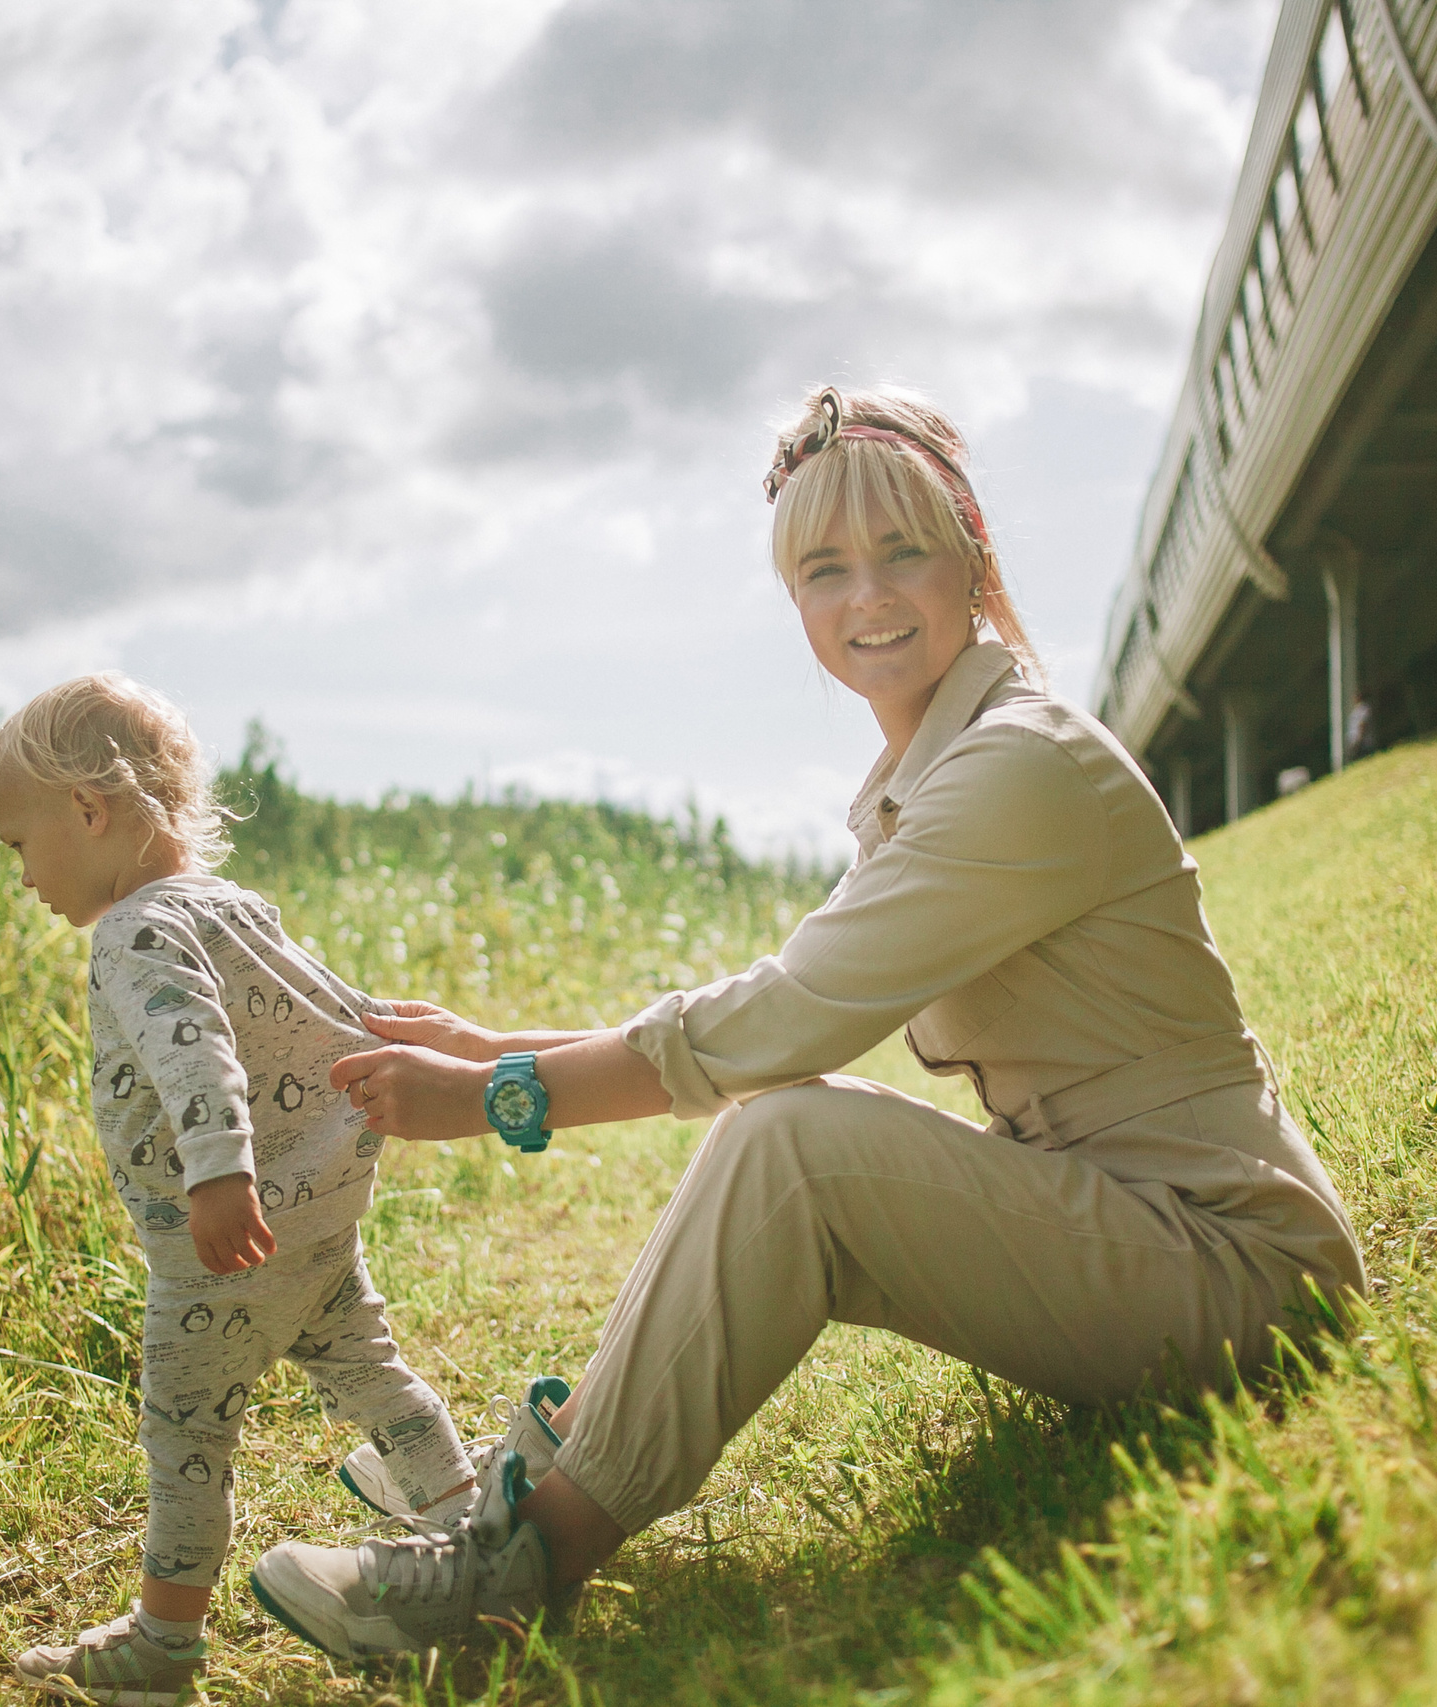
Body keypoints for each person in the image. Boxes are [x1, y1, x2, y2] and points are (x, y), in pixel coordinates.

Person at [244, 386, 1370, 1661]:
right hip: (1135, 1227)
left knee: (791, 1141)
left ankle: (509, 1570)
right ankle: (522, 1483)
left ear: (973, 562)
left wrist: (505, 1095)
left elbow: (779, 1026)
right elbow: (775, 1009)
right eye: (824, 570)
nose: (866, 596)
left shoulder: (1020, 768)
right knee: (787, 1138)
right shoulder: (935, 774)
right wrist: (495, 1044)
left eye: (902, 552)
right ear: (797, 606)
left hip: (1237, 1276)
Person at [0, 673, 479, 1703]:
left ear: (87, 812)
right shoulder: (234, 904)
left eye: (16, 842)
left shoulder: (134, 931)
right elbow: (324, 1007)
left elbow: (199, 1057)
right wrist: (393, 1026)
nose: (19, 873)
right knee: (372, 1372)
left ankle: (161, 1647)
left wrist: (218, 1175)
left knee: (186, 1437)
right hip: (315, 1226)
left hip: (219, 1248)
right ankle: (474, 1533)